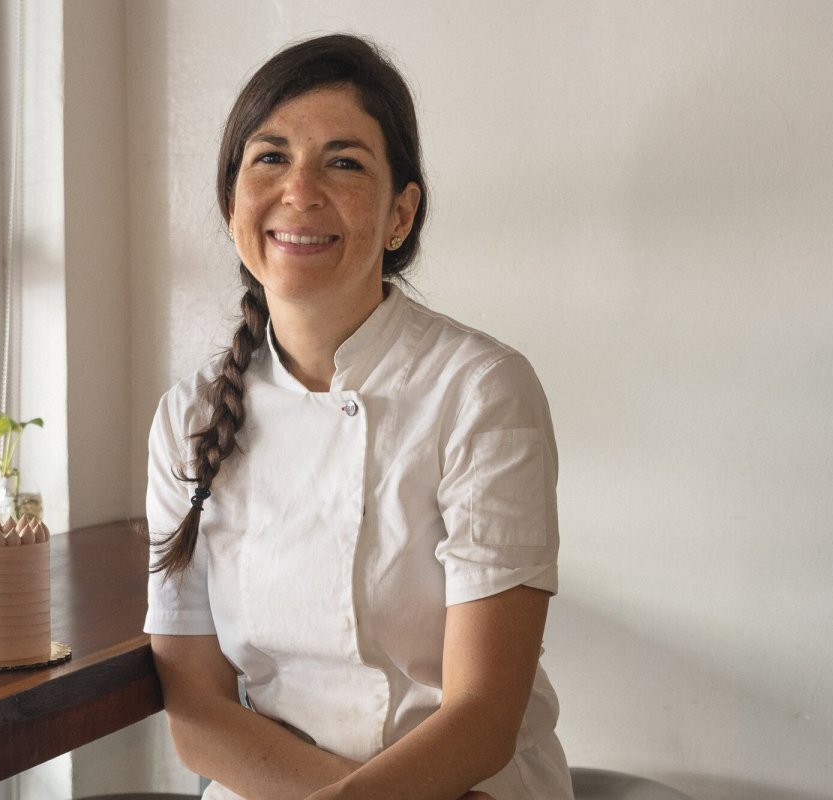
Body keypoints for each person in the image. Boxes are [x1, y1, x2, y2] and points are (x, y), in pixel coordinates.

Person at [144, 33, 572, 800]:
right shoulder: (190, 419)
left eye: (344, 163)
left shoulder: (481, 392)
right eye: (270, 158)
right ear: (231, 202)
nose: (299, 192)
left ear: (401, 213)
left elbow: (483, 715)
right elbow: (198, 713)